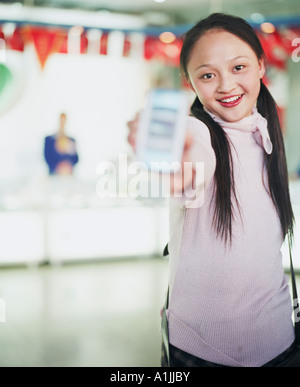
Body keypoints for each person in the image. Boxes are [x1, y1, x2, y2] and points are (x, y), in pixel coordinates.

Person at [127, 13, 296, 367]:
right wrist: (173, 159)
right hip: (204, 352)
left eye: (239, 68)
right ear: (189, 83)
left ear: (261, 66)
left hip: (281, 341)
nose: (225, 86)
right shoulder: (197, 132)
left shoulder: (265, 136)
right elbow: (191, 167)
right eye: (207, 75)